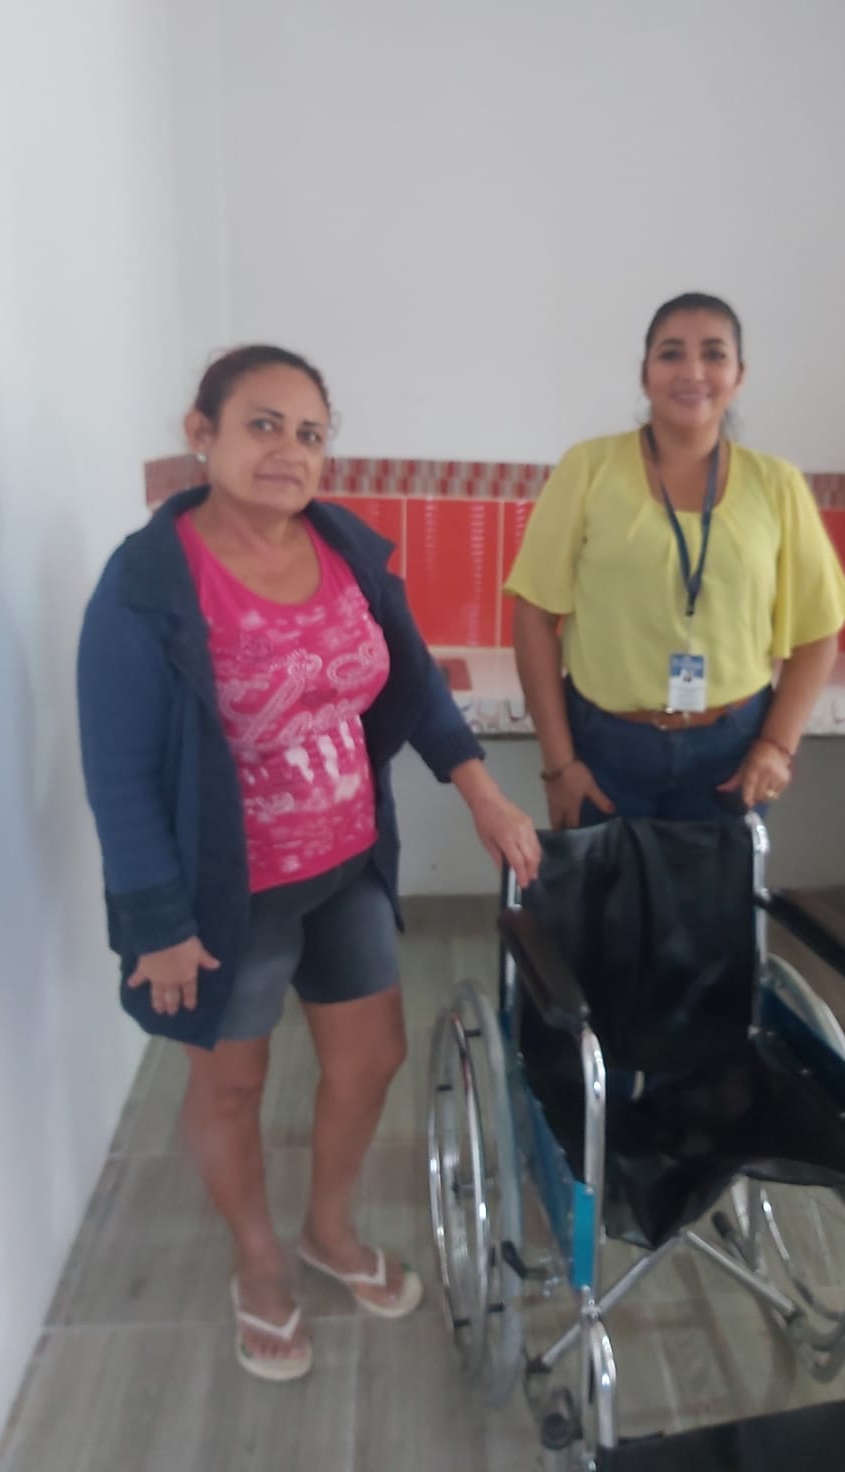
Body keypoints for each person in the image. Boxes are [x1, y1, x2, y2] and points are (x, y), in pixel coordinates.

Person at [77, 344, 541, 1383]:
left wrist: (479, 788)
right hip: (225, 896)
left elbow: (414, 683)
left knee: (370, 1058)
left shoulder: (344, 549)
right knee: (231, 1086)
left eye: (310, 433)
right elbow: (117, 770)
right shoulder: (149, 583)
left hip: (347, 865)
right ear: (201, 433)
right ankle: (257, 1260)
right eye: (262, 424)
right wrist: (156, 923)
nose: (289, 450)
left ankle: (328, 1230)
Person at [506, 293, 845, 829]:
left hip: (732, 753)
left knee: (717, 889)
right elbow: (532, 615)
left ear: (739, 376)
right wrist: (560, 765)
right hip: (605, 749)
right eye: (671, 354)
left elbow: (819, 633)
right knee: (603, 887)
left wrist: (777, 747)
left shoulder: (777, 484)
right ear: (644, 374)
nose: (693, 372)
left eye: (714, 354)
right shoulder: (589, 468)